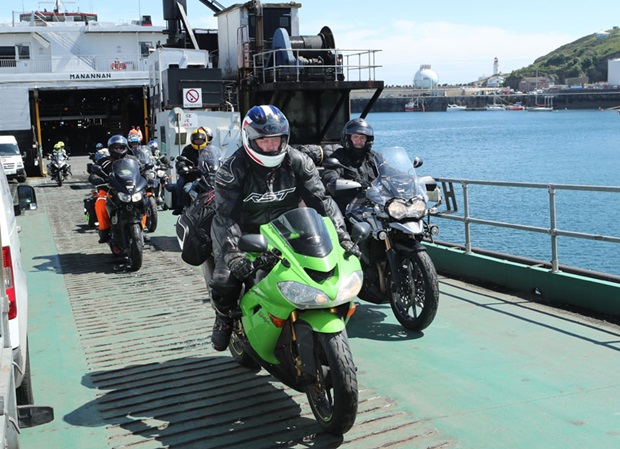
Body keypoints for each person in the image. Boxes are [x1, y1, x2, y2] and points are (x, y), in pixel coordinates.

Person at [208, 105, 360, 351]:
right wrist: (233, 254)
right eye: (264, 141)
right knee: (225, 281)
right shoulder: (232, 168)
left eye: (277, 140)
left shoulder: (298, 161)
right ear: (249, 139)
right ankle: (223, 318)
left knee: (324, 271)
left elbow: (322, 202)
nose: (272, 147)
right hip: (243, 233)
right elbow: (225, 218)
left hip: (289, 229)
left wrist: (342, 237)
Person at [321, 118, 378, 214]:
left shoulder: (372, 157)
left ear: (367, 140)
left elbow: (387, 170)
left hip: (372, 206)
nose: (359, 141)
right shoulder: (338, 157)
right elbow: (330, 176)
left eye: (362, 138)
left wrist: (404, 177)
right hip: (348, 209)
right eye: (355, 137)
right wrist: (357, 185)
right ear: (348, 138)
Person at [92, 135, 138, 243]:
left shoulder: (133, 160)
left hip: (129, 189)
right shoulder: (103, 161)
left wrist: (148, 173)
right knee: (100, 203)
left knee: (143, 200)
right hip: (109, 189)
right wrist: (96, 178)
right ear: (110, 149)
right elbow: (93, 173)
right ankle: (104, 230)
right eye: (116, 148)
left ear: (125, 148)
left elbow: (142, 169)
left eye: (121, 148)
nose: (118, 150)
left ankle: (142, 228)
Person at [172, 126, 213, 215]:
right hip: (190, 176)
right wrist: (182, 167)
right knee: (183, 185)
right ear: (192, 140)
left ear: (204, 139)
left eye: (200, 140)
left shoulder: (209, 149)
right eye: (196, 139)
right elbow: (181, 160)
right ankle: (181, 206)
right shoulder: (188, 149)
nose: (198, 141)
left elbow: (216, 159)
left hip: (206, 176)